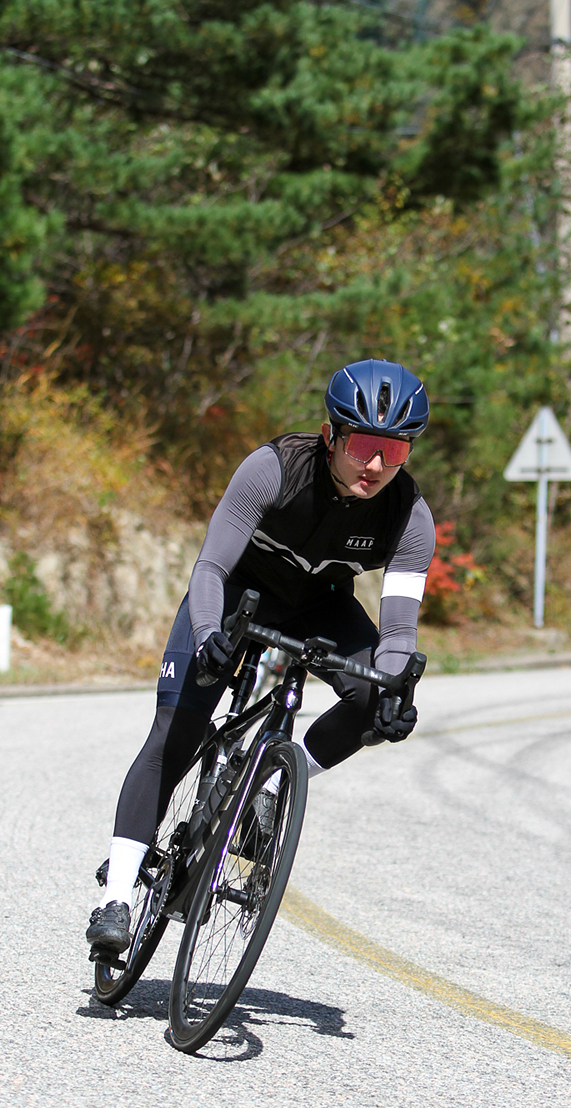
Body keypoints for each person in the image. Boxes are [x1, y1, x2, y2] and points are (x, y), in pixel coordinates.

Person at [86, 358, 437, 958]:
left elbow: (399, 631)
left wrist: (394, 695)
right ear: (331, 436)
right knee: (178, 729)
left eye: (395, 450)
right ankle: (115, 897)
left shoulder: (410, 517)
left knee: (372, 697)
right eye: (363, 446)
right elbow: (210, 567)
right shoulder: (272, 469)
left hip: (320, 606)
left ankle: (266, 783)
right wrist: (207, 634)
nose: (377, 465)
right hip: (234, 596)